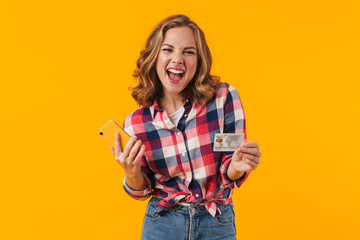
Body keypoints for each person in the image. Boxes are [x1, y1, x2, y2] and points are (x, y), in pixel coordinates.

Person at [110, 14, 261, 240]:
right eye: (168, 49)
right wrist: (131, 174)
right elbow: (142, 190)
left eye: (188, 52)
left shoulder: (223, 98)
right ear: (154, 57)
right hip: (162, 224)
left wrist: (237, 166)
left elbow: (230, 163)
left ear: (199, 61)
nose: (177, 59)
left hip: (216, 221)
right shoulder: (136, 123)